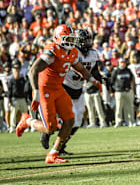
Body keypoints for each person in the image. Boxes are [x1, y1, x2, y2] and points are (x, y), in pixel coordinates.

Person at [15, 24, 102, 164]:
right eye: (67, 39)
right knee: (50, 128)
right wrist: (36, 92)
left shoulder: (72, 51)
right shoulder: (52, 51)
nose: (70, 42)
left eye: (71, 39)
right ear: (58, 38)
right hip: (45, 90)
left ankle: (53, 154)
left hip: (58, 88)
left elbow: (80, 69)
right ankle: (27, 120)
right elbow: (33, 71)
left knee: (69, 120)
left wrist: (93, 80)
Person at [40, 29, 102, 155]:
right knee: (67, 119)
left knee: (77, 122)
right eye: (84, 40)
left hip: (79, 88)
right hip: (65, 86)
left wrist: (100, 79)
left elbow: (93, 70)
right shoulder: (72, 51)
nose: (87, 43)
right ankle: (46, 130)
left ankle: (60, 145)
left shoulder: (93, 54)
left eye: (88, 40)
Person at [111, 58, 135, 127]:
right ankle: (118, 122)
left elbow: (131, 79)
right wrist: (113, 91)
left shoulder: (128, 70)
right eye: (121, 62)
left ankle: (130, 121)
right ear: (119, 63)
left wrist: (131, 88)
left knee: (130, 107)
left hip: (128, 91)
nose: (122, 64)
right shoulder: (116, 71)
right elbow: (112, 81)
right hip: (119, 91)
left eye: (123, 62)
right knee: (118, 107)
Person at [128, 53, 140, 125]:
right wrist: (133, 88)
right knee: (137, 103)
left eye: (137, 57)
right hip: (137, 85)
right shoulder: (130, 67)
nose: (136, 59)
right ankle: (138, 118)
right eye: (134, 58)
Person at [8, 63, 27, 133]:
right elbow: (9, 91)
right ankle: (12, 127)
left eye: (18, 70)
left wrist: (26, 99)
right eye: (15, 71)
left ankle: (25, 126)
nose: (16, 72)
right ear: (13, 72)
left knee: (25, 113)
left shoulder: (22, 80)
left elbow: (25, 90)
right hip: (14, 99)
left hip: (22, 98)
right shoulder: (11, 81)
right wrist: (9, 101)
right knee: (13, 114)